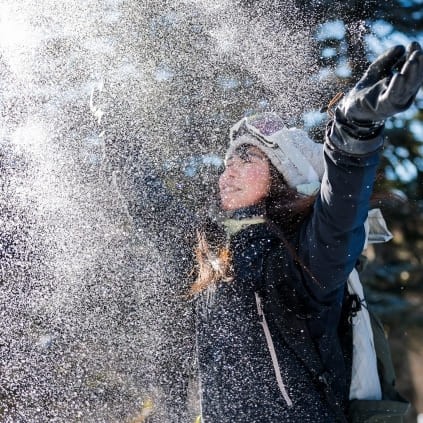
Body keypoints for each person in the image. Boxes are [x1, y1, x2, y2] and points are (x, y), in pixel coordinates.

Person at [190, 43, 423, 422]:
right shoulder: (214, 256)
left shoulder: (304, 259)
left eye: (245, 159)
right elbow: (153, 208)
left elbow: (339, 213)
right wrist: (112, 135)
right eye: (226, 161)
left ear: (285, 176)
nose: (226, 172)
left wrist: (353, 133)